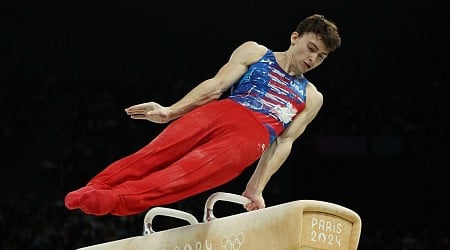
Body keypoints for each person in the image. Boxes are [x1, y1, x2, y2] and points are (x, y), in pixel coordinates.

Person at [64, 14, 341, 216]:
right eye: (311, 48)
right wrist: (171, 111)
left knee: (182, 175)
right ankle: (96, 186)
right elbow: (216, 86)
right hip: (222, 111)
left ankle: (114, 199)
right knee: (155, 153)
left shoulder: (311, 97)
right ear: (295, 38)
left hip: (251, 137)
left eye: (322, 56)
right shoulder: (256, 52)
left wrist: (255, 187)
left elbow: (283, 143)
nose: (313, 59)